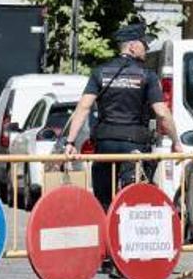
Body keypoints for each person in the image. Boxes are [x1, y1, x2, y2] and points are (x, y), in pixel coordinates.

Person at [64, 22, 182, 209]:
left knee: (104, 200)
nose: (146, 48)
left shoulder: (100, 72)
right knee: (133, 200)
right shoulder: (147, 75)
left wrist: (70, 142)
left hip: (105, 145)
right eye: (144, 44)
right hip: (134, 146)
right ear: (133, 46)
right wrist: (176, 141)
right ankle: (126, 236)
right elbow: (162, 113)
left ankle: (106, 234)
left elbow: (84, 107)